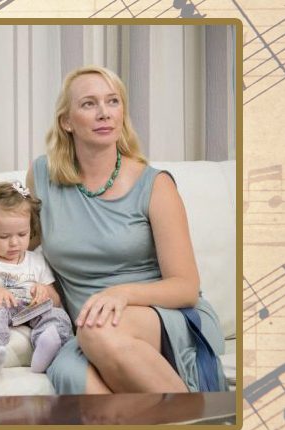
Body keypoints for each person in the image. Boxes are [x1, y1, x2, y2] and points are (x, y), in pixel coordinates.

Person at [26, 65, 228, 394]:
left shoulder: (155, 185)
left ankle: (197, 419)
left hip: (165, 315)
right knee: (73, 376)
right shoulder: (42, 177)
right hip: (90, 327)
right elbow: (22, 247)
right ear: (66, 121)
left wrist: (121, 294)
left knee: (97, 330)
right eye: (89, 104)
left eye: (113, 101)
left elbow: (186, 287)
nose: (104, 113)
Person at [0, 181, 72, 377]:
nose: (14, 243)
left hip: (30, 309)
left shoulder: (36, 260)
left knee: (58, 315)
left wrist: (44, 292)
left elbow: (56, 300)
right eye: (4, 236)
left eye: (22, 234)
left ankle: (47, 345)